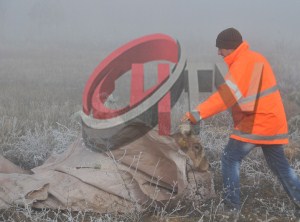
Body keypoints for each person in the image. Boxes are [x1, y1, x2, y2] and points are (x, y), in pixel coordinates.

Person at [181, 27, 300, 216]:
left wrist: (196, 114)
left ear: (230, 47)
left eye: (220, 48)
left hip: (256, 123)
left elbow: (224, 98)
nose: (218, 52)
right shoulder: (254, 58)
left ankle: (231, 208)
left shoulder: (242, 64)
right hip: (271, 122)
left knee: (230, 158)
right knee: (281, 167)